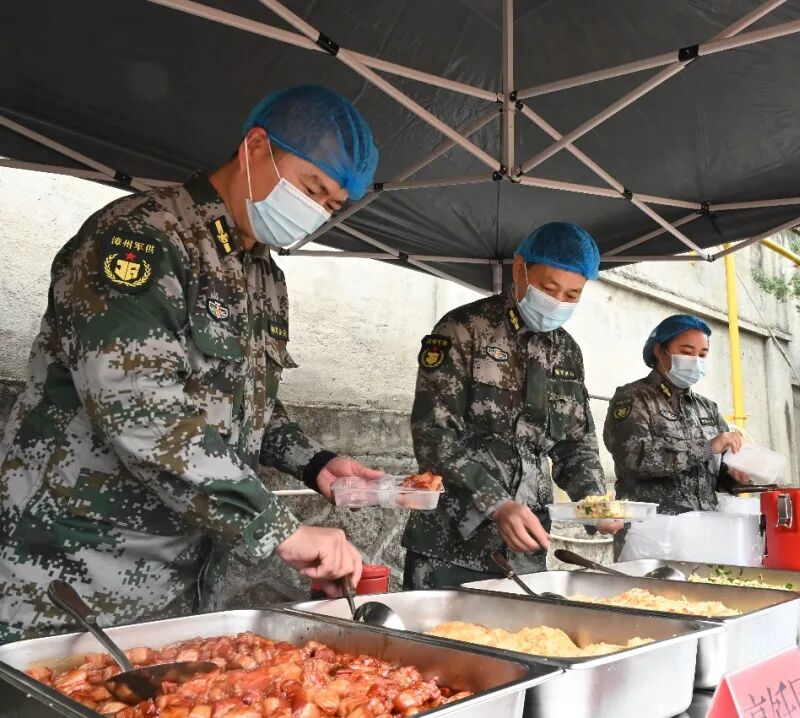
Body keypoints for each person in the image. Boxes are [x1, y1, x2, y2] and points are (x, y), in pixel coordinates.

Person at [0, 86, 382, 642]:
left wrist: (315, 462)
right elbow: (138, 402)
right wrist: (277, 526)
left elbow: (243, 400)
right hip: (73, 566)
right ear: (256, 147)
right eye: (311, 188)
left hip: (182, 571)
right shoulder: (143, 236)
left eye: (331, 205)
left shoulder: (262, 275)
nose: (316, 212)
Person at [403, 221, 622, 589]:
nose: (558, 302)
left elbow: (575, 445)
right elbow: (433, 436)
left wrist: (593, 502)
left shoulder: (567, 352)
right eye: (549, 288)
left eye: (572, 295)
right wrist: (498, 504)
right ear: (520, 269)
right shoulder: (464, 329)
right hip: (450, 548)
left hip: (526, 551)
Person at [602, 314, 748, 555]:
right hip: (651, 536)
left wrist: (738, 476)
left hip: (704, 533)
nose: (696, 360)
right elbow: (634, 458)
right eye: (687, 352)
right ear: (660, 351)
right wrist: (706, 447)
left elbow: (715, 472)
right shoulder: (634, 398)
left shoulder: (707, 408)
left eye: (702, 354)